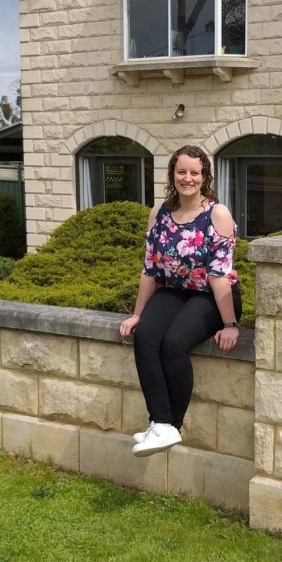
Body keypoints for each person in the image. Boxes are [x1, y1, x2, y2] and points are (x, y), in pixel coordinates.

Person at [119, 144, 242, 457]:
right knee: (145, 335)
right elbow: (150, 268)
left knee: (174, 344)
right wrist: (136, 314)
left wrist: (230, 324)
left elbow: (219, 275)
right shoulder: (159, 213)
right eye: (182, 171)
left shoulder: (217, 214)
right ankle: (159, 424)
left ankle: (171, 424)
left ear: (205, 177)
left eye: (195, 172)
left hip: (214, 295)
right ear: (172, 174)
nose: (188, 178)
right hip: (175, 289)